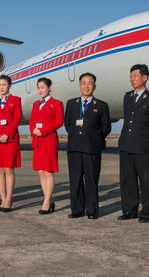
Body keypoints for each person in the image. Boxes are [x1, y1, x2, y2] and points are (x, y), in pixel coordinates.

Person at [118, 64, 149, 223]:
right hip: (126, 146)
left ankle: (148, 212)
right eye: (131, 76)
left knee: (146, 181)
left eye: (135, 76)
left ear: (144, 78)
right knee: (127, 181)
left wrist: (146, 139)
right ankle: (129, 210)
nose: (132, 79)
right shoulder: (127, 97)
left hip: (142, 146)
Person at [64, 72, 111, 220]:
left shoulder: (102, 106)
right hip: (75, 147)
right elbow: (68, 124)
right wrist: (77, 135)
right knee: (75, 180)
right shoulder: (72, 104)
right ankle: (77, 209)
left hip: (92, 148)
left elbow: (106, 127)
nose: (86, 86)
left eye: (90, 83)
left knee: (91, 180)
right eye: (84, 83)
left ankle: (92, 210)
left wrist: (93, 137)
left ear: (94, 86)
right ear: (79, 86)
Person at [29, 77, 64, 215]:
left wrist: (42, 131)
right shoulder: (35, 104)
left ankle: (46, 202)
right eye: (38, 88)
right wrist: (33, 130)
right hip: (37, 141)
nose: (40, 90)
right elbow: (32, 120)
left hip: (48, 141)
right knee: (41, 172)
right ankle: (48, 199)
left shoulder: (57, 104)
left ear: (49, 88)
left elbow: (59, 122)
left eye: (43, 87)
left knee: (48, 171)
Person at [0, 75, 22, 212]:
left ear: (10, 85)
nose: (1, 87)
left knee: (9, 169)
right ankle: (2, 199)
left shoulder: (16, 100)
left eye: (4, 84)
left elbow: (16, 119)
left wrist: (7, 134)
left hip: (10, 140)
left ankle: (8, 200)